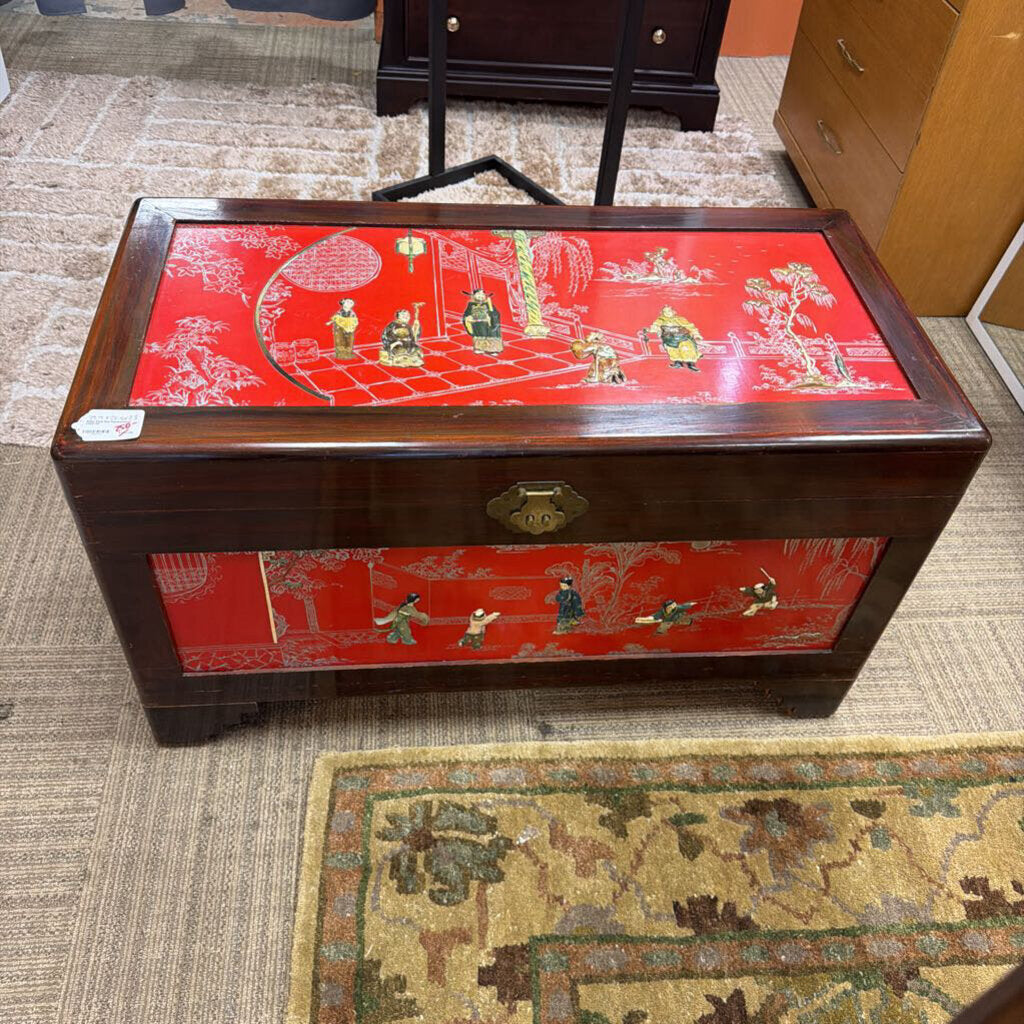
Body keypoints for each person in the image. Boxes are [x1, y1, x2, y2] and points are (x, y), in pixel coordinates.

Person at [646, 306, 703, 371]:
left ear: (673, 311)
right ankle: (678, 363)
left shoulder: (680, 319)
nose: (667, 313)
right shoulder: (660, 320)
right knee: (673, 351)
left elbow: (690, 327)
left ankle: (690, 364)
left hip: (683, 337)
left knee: (687, 350)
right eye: (665, 312)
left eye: (669, 311)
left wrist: (696, 335)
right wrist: (649, 330)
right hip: (669, 339)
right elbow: (655, 327)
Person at [462, 289, 503, 354]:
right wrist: (468, 318)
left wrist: (491, 315)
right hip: (477, 323)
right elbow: (466, 314)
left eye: (482, 295)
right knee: (479, 336)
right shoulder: (471, 304)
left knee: (491, 335)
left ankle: (493, 350)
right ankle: (480, 348)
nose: (480, 296)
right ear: (474, 296)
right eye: (478, 294)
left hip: (488, 324)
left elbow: (496, 313)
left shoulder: (488, 304)